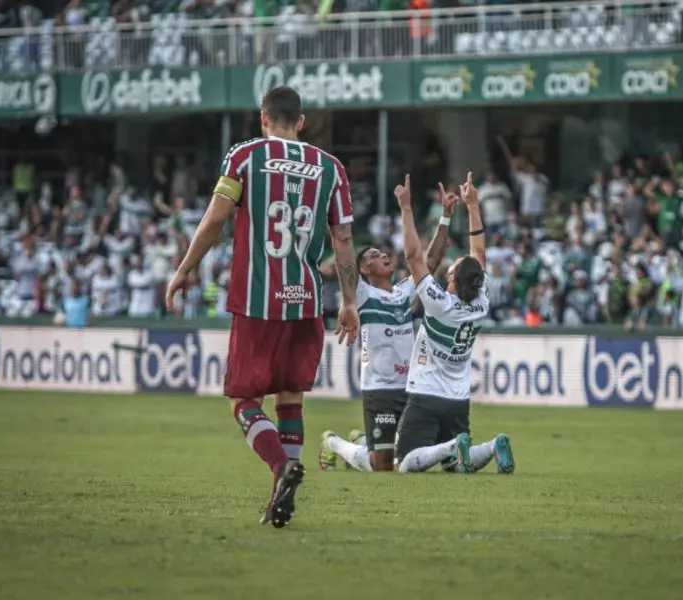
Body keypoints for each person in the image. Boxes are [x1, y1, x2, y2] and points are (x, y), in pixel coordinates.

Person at [165, 86, 360, 529]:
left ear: (263, 118)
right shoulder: (332, 169)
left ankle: (279, 468)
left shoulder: (245, 156)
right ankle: (279, 499)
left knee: (242, 399)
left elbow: (216, 218)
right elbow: (343, 239)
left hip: (258, 301)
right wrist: (350, 301)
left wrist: (184, 269)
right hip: (307, 301)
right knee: (290, 399)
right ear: (302, 121)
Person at [319, 184, 457, 472]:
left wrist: (445, 216)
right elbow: (341, 262)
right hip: (379, 389)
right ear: (365, 271)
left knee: (406, 461)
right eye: (372, 256)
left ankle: (362, 442)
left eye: (382, 252)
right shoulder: (362, 295)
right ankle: (333, 443)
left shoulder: (404, 292)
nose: (382, 255)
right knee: (382, 466)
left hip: (410, 387)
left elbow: (429, 261)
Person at [394, 172, 514, 474]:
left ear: (451, 280)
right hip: (458, 398)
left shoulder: (439, 303)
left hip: (426, 392)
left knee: (404, 463)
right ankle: (493, 445)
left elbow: (413, 256)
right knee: (455, 466)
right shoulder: (481, 302)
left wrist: (406, 209)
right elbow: (479, 254)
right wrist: (473, 206)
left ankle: (451, 446)